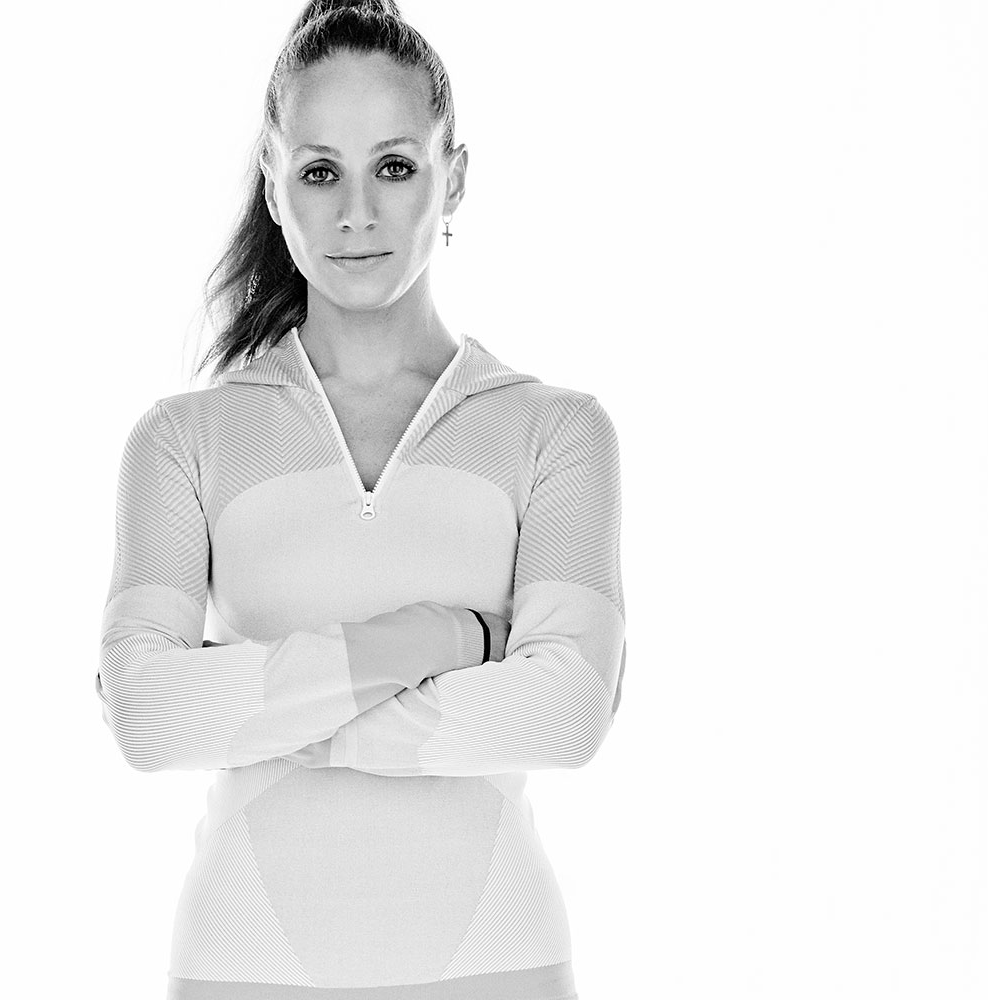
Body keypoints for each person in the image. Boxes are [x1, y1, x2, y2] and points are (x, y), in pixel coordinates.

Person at [95, 1, 626, 997]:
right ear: (273, 182)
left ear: (452, 177)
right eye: (319, 172)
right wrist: (446, 638)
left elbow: (564, 712)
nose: (355, 214)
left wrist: (262, 712)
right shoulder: (183, 441)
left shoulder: (555, 432)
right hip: (244, 965)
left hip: (499, 964)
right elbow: (153, 720)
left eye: (394, 166)